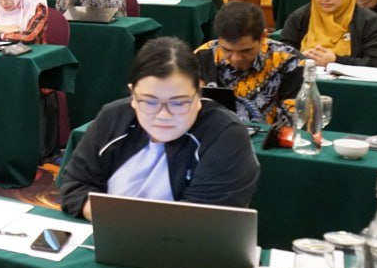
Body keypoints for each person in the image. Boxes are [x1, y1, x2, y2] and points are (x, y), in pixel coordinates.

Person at [58, 37, 259, 220]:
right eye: (149, 102)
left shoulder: (226, 135)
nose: (163, 115)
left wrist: (118, 219)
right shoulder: (113, 117)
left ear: (198, 91)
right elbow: (74, 185)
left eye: (178, 103)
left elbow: (200, 220)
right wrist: (106, 217)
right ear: (133, 94)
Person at [194, 1, 302, 125]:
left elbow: (293, 122)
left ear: (263, 37)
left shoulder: (290, 62)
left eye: (245, 51)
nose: (236, 58)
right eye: (227, 50)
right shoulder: (203, 57)